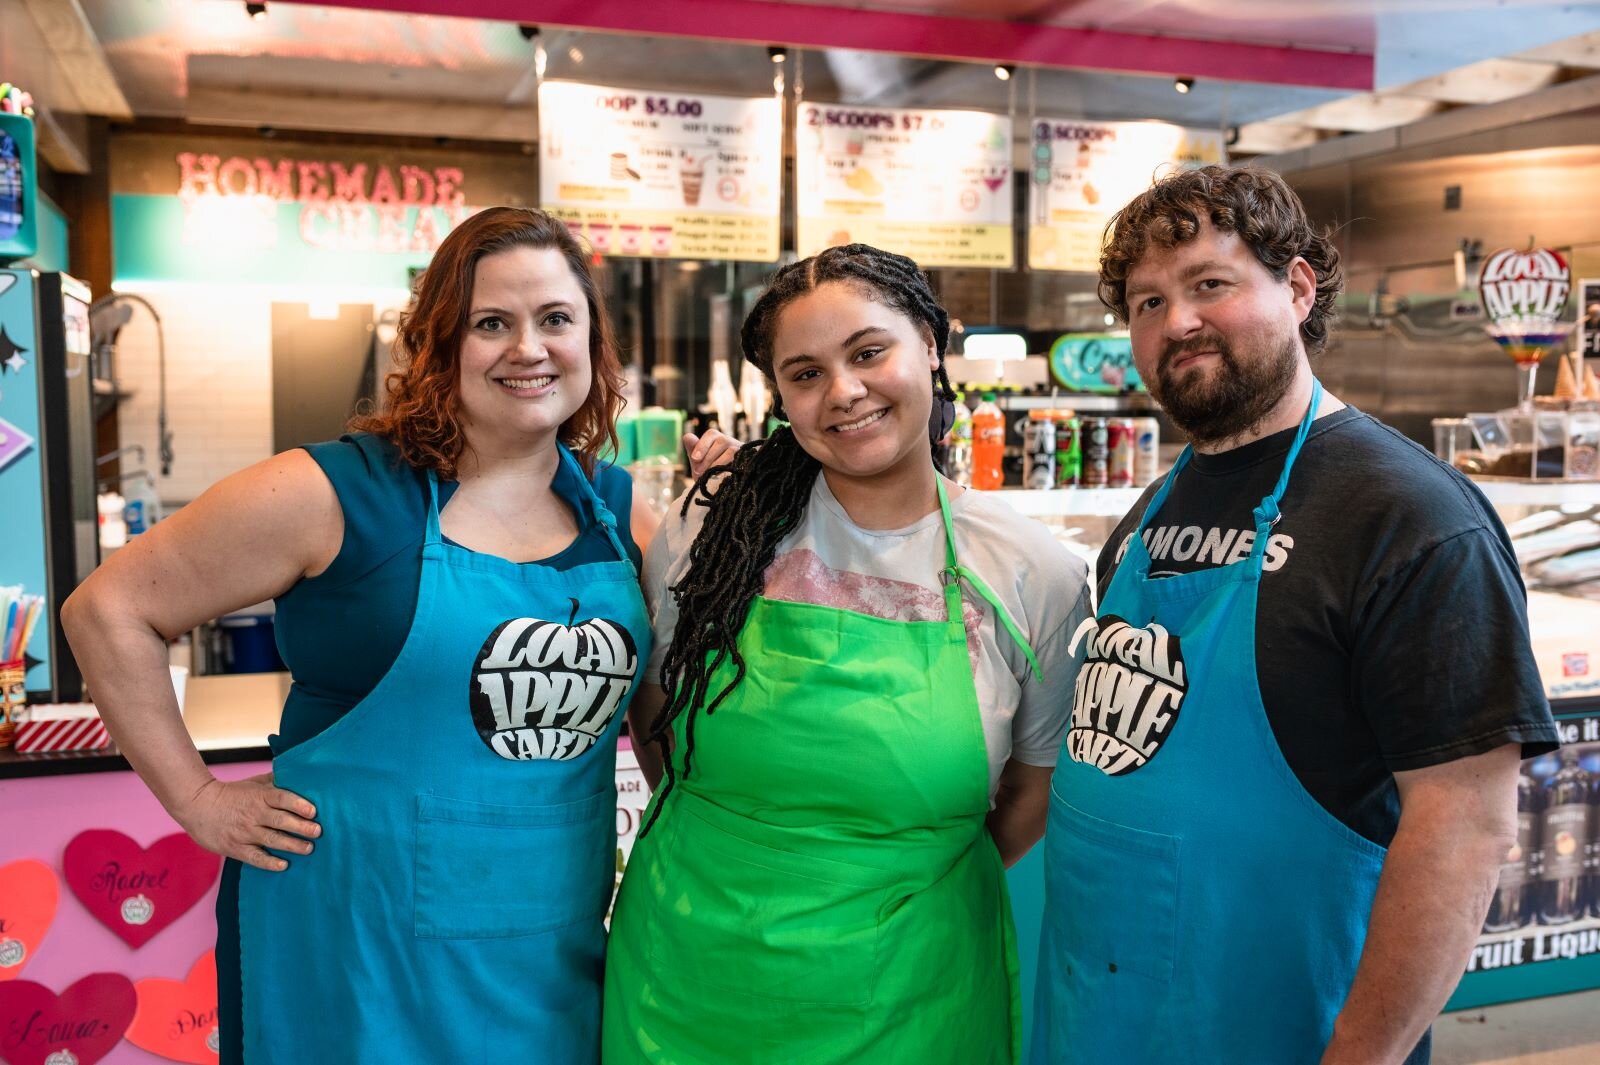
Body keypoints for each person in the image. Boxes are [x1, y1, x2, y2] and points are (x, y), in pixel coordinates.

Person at [62, 207, 729, 1063]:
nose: (529, 348)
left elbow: (657, 714)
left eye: (556, 319)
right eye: (493, 323)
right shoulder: (336, 492)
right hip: (352, 951)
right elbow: (107, 610)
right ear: (442, 344)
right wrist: (196, 799)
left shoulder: (619, 508)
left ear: (592, 344)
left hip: (554, 946)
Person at [1031, 165, 1558, 1065]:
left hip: (1279, 1021)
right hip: (1095, 1013)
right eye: (1147, 302)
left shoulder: (1411, 517)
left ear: (1299, 285)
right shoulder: (1149, 512)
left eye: (1209, 284)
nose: (1175, 322)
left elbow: (1465, 825)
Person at [603, 244, 1092, 1064]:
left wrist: (894, 866)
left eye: (869, 351)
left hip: (913, 988)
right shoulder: (714, 529)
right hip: (687, 976)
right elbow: (658, 711)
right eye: (805, 373)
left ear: (931, 344)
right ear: (782, 395)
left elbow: (1033, 788)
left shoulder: (1032, 570)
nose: (845, 392)